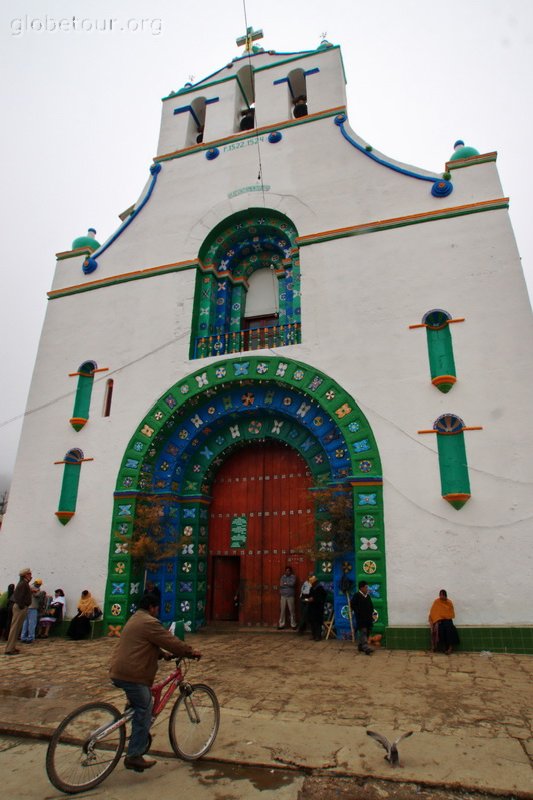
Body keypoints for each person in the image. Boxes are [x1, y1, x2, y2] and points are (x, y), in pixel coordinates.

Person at [109, 592, 201, 773]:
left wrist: (162, 655)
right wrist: (191, 652)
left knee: (139, 704)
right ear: (152, 607)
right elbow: (171, 641)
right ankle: (134, 755)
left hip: (119, 670)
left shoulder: (135, 619)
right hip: (132, 674)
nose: (158, 611)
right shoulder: (150, 622)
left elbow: (143, 643)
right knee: (145, 707)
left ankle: (135, 726)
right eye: (157, 607)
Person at [4, 567, 33, 655]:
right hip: (20, 607)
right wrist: (22, 605)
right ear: (25, 575)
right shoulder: (23, 584)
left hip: (21, 607)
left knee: (17, 629)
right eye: (29, 574)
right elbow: (18, 596)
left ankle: (12, 647)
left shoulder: (24, 583)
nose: (31, 576)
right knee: (15, 628)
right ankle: (9, 649)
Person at [428, 589, 460, 654]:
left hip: (448, 620)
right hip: (439, 621)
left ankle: (450, 648)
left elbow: (451, 614)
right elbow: (433, 612)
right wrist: (437, 620)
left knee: (450, 629)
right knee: (440, 629)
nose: (441, 596)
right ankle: (443, 647)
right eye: (440, 595)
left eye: (442, 595)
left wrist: (445, 618)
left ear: (445, 595)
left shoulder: (449, 602)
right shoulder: (437, 602)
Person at [350, 580, 375, 655]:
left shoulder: (367, 596)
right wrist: (358, 612)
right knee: (363, 632)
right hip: (361, 618)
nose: (367, 589)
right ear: (361, 588)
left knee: (367, 632)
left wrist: (371, 613)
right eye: (366, 587)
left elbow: (371, 606)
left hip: (368, 618)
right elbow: (352, 605)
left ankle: (360, 646)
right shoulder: (357, 595)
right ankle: (365, 647)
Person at [21, 578, 46, 643]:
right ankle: (30, 637)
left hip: (26, 607)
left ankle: (23, 637)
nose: (40, 586)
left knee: (25, 623)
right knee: (32, 623)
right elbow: (36, 595)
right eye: (40, 584)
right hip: (33, 607)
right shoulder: (35, 588)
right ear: (38, 584)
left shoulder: (28, 587)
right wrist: (41, 592)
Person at [307, 575, 327, 641]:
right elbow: (310, 595)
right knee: (312, 622)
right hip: (312, 608)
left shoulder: (320, 588)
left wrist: (314, 599)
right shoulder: (312, 588)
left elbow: (322, 598)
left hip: (318, 608)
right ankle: (313, 635)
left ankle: (318, 636)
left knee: (318, 623)